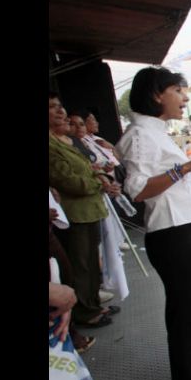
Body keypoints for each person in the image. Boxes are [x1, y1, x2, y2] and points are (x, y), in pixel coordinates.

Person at [114, 67, 191, 380]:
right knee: (184, 312)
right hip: (170, 234)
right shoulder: (141, 136)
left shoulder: (157, 132)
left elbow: (169, 177)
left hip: (181, 230)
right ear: (156, 94)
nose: (185, 97)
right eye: (178, 90)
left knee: (190, 304)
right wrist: (188, 167)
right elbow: (139, 191)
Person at [50, 93, 120, 329]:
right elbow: (68, 180)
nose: (60, 112)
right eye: (52, 108)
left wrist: (99, 176)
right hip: (75, 213)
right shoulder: (51, 146)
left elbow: (90, 169)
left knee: (91, 261)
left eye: (60, 106)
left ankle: (93, 303)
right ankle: (84, 311)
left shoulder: (69, 141)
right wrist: (99, 183)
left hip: (91, 209)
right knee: (80, 264)